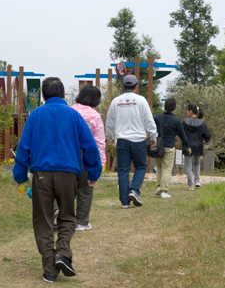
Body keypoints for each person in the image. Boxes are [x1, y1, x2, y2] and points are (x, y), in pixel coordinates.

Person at [13, 77, 102, 284]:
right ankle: (62, 252)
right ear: (64, 95)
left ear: (43, 95)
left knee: (43, 220)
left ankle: (49, 269)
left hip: (41, 174)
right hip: (68, 174)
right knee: (68, 216)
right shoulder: (74, 115)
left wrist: (20, 175)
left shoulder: (35, 115)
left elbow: (24, 146)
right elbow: (90, 146)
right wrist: (93, 173)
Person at [105, 75, 157, 208]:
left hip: (121, 141)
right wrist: (153, 136)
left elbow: (110, 122)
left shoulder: (116, 101)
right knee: (140, 167)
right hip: (138, 140)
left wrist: (110, 137)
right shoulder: (141, 100)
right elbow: (149, 120)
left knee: (123, 170)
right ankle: (134, 190)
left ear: (123, 86)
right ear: (136, 86)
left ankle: (124, 202)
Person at [71, 85, 106, 231]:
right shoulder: (95, 116)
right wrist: (101, 163)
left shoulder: (70, 111)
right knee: (85, 188)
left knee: (66, 187)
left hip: (68, 153)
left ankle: (59, 214)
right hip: (87, 154)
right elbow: (99, 141)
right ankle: (82, 222)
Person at [153, 98, 190, 198]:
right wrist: (187, 146)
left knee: (159, 167)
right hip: (169, 147)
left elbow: (150, 129)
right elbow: (182, 135)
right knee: (166, 168)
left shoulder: (157, 117)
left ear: (164, 106)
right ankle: (164, 191)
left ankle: (159, 186)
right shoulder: (175, 120)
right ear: (174, 108)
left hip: (157, 146)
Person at [182, 104, 212, 190]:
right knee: (197, 163)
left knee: (188, 166)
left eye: (187, 110)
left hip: (188, 146)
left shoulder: (184, 122)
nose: (187, 112)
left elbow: (180, 133)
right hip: (198, 146)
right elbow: (208, 135)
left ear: (190, 111)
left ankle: (191, 185)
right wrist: (204, 141)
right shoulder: (202, 123)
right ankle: (197, 181)